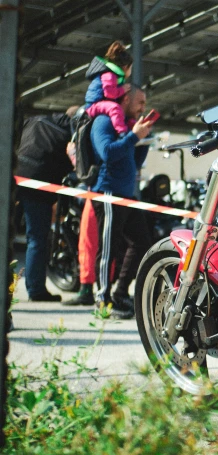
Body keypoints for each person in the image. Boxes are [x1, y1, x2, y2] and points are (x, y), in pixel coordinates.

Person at [90, 86, 155, 319]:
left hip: (127, 195)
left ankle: (119, 293)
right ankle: (102, 300)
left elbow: (133, 162)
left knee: (141, 243)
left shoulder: (126, 127)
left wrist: (144, 140)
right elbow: (107, 152)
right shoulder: (103, 122)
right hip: (108, 193)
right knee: (108, 249)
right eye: (140, 103)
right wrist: (134, 136)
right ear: (126, 99)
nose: (142, 109)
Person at [16, 106, 80, 302]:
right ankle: (36, 290)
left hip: (14, 175)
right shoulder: (71, 135)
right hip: (39, 186)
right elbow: (76, 167)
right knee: (36, 239)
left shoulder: (38, 120)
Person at [85, 41, 133, 135]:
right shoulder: (109, 75)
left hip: (101, 103)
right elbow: (109, 93)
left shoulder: (116, 76)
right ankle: (122, 133)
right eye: (131, 67)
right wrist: (122, 89)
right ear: (125, 67)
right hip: (94, 105)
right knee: (114, 108)